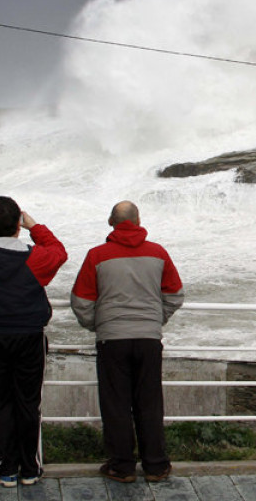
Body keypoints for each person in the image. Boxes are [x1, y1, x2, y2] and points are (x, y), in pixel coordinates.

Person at [70, 201, 184, 484]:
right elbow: (175, 295)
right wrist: (156, 320)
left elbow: (81, 301)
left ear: (111, 221)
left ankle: (122, 467)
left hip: (112, 340)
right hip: (148, 339)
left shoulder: (97, 255)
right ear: (139, 220)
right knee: (149, 402)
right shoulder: (158, 253)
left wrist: (99, 324)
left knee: (116, 404)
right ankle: (156, 466)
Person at [0, 196, 67, 488]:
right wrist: (34, 226)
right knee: (28, 402)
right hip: (28, 335)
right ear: (18, 226)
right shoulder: (33, 259)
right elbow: (58, 252)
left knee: (2, 400)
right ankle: (30, 468)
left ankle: (7, 466)